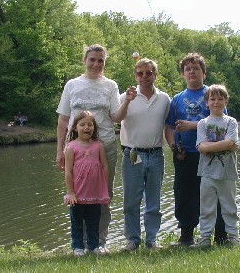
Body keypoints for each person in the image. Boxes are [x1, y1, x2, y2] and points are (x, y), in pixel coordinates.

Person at [56, 44, 136, 253]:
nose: (96, 64)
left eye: (100, 60)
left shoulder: (110, 85)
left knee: (102, 195)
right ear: (84, 60)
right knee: (77, 196)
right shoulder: (72, 84)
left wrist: (126, 101)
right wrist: (59, 151)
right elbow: (63, 120)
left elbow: (116, 117)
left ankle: (99, 242)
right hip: (75, 150)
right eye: (92, 59)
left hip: (104, 147)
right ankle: (79, 244)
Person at [190, 85, 240, 249]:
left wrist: (220, 145)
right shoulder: (202, 124)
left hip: (227, 173)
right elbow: (202, 147)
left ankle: (234, 237)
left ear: (226, 102)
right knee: (206, 208)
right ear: (207, 103)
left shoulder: (231, 122)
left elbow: (230, 143)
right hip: (207, 173)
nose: (216, 102)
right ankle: (204, 239)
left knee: (230, 207)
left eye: (220, 99)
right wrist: (225, 145)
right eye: (212, 99)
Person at [164, 52, 227, 246]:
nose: (192, 72)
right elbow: (168, 127)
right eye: (188, 69)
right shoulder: (176, 99)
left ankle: (221, 236)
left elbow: (221, 123)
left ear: (204, 73)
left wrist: (191, 125)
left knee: (214, 194)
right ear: (183, 74)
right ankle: (186, 237)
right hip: (185, 155)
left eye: (196, 68)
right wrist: (174, 147)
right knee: (185, 195)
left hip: (211, 155)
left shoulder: (213, 95)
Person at [119, 58, 170, 251]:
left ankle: (151, 240)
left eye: (148, 72)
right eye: (140, 73)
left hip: (156, 155)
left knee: (154, 201)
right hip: (132, 155)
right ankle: (132, 240)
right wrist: (127, 101)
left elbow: (169, 125)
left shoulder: (164, 99)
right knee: (131, 201)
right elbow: (116, 118)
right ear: (135, 76)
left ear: (155, 75)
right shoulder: (126, 96)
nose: (144, 77)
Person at [63, 111, 110, 256]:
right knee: (77, 222)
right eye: (82, 124)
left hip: (95, 193)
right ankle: (77, 247)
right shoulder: (71, 147)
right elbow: (68, 172)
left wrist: (105, 188)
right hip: (77, 194)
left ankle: (94, 246)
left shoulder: (98, 146)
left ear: (94, 127)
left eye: (90, 124)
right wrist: (70, 192)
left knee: (93, 222)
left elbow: (105, 167)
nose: (86, 128)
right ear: (75, 127)